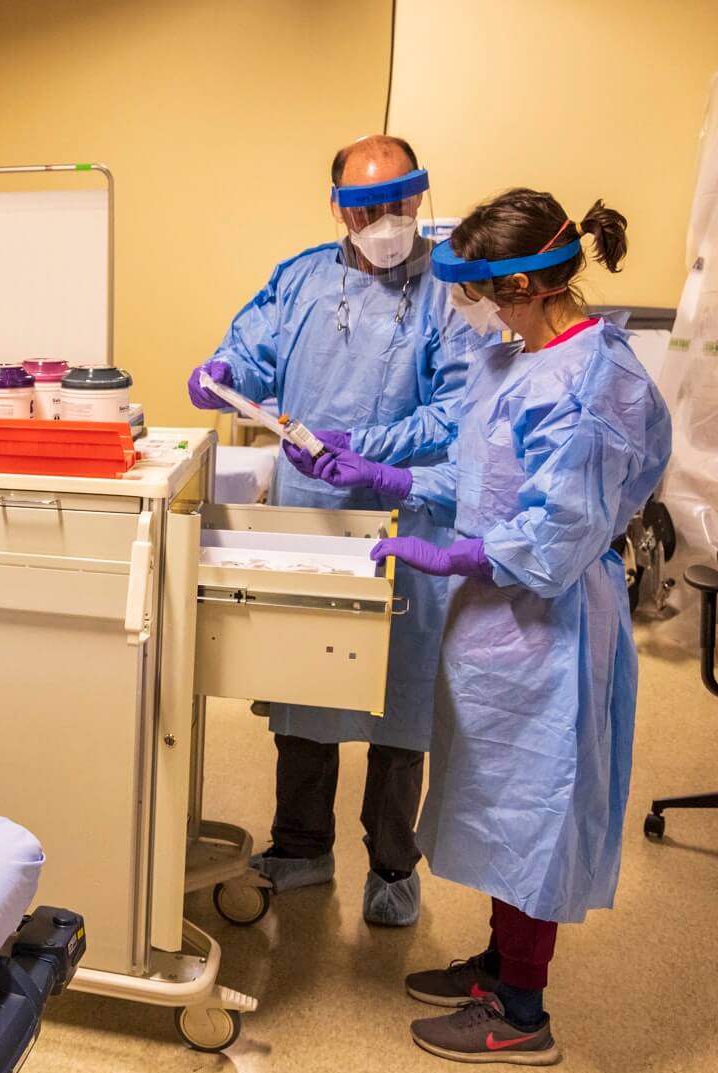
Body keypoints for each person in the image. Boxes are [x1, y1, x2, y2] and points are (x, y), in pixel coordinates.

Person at [289, 188, 671, 1064]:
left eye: (483, 290)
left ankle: (522, 1013)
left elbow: (556, 531)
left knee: (536, 803)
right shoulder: (514, 359)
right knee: (496, 795)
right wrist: (384, 477)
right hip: (498, 619)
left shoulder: (596, 379)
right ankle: (499, 966)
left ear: (530, 283)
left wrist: (453, 559)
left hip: (554, 618)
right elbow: (471, 475)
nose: (471, 308)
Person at [186, 135, 476, 926]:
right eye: (366, 207)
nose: (385, 221)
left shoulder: (447, 291)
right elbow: (253, 349)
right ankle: (301, 845)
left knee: (397, 701)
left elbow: (460, 406)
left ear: (420, 196)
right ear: (338, 207)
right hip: (310, 517)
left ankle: (391, 865)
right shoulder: (302, 277)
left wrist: (375, 456)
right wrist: (223, 376)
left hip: (405, 514)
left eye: (398, 204)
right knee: (305, 679)